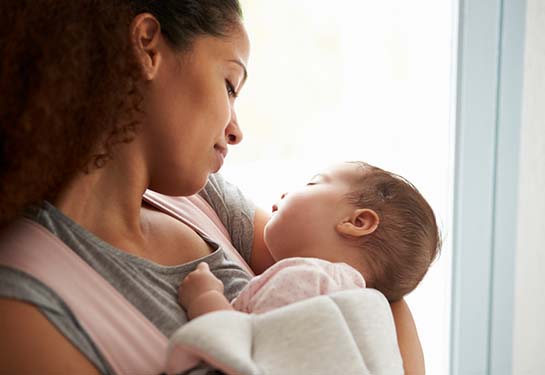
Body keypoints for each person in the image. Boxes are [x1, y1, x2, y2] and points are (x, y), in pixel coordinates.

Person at [0, 1, 425, 374]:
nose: (236, 130)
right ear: (147, 46)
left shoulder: (203, 201)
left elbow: (373, 280)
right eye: (229, 84)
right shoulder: (25, 303)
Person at [180, 161, 441, 317]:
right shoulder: (361, 307)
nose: (286, 192)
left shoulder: (308, 283)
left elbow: (241, 347)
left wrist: (205, 299)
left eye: (313, 184)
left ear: (357, 222)